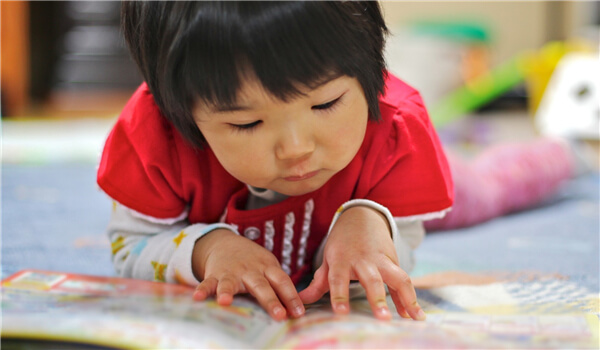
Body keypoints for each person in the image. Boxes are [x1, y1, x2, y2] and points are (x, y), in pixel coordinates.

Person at [98, 1, 580, 322]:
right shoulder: (156, 138)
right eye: (246, 124)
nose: (296, 148)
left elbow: (404, 241)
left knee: (482, 189)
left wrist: (370, 222)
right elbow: (130, 247)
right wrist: (208, 250)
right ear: (179, 109)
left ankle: (561, 151)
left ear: (371, 71)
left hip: (380, 181)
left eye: (325, 105)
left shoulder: (392, 128)